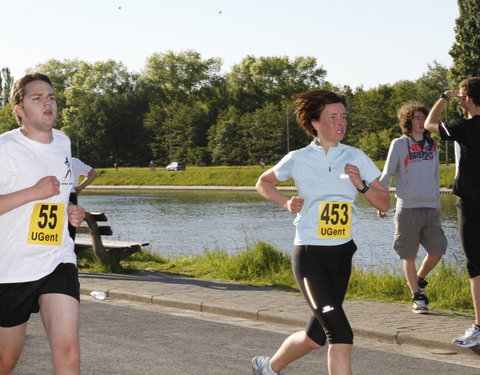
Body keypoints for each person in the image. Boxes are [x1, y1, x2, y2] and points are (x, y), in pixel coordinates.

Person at [252, 90, 390, 375]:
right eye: (332, 117)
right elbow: (263, 182)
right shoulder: (298, 158)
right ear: (315, 122)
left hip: (342, 254)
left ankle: (268, 367)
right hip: (310, 255)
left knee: (315, 337)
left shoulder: (355, 156)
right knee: (341, 335)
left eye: (343, 117)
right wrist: (285, 201)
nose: (341, 123)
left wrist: (361, 184)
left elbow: (385, 202)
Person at [0, 72, 85, 374]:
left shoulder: (63, 141)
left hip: (56, 258)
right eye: (37, 98)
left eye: (51, 97)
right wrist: (32, 193)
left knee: (68, 352)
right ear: (19, 110)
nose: (48, 103)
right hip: (11, 269)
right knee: (5, 362)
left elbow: (63, 195)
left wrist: (72, 214)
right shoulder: (5, 149)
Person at [425, 77, 480, 348]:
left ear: (466, 98)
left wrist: (445, 97)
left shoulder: (464, 127)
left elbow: (428, 124)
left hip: (472, 202)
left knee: (475, 265)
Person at [379, 102, 447, 314]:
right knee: (409, 255)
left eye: (422, 118)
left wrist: (437, 204)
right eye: (416, 118)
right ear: (408, 122)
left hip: (429, 207)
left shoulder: (432, 145)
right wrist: (380, 201)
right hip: (407, 208)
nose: (420, 122)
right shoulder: (399, 144)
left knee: (438, 249)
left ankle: (418, 280)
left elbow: (435, 177)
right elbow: (387, 175)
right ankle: (417, 296)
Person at [68, 157, 97, 240]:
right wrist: (80, 187)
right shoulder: (74, 161)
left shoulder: (50, 158)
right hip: (72, 195)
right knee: (70, 228)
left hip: (56, 195)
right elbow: (93, 173)